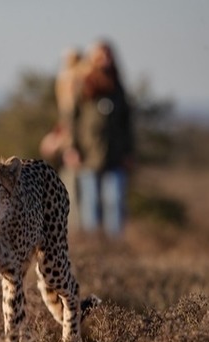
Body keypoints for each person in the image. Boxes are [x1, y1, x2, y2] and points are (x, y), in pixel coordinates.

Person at [71, 40, 134, 239]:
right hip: (89, 155)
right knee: (91, 201)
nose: (104, 60)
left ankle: (115, 244)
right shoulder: (84, 85)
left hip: (115, 155)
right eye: (100, 55)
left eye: (108, 55)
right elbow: (72, 119)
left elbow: (127, 122)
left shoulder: (118, 87)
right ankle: (93, 243)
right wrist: (73, 148)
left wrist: (128, 152)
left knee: (114, 199)